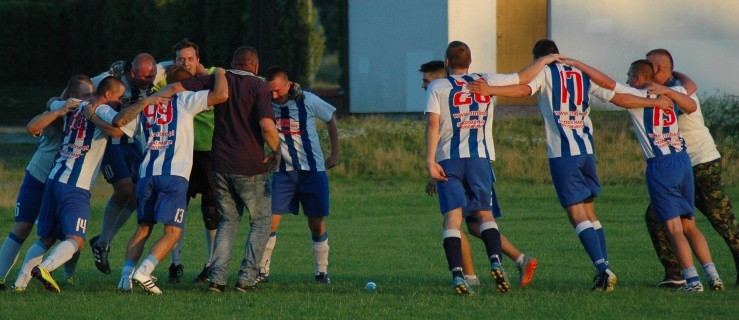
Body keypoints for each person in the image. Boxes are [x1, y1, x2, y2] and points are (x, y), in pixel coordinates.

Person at [468, 40, 675, 291]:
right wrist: (654, 101)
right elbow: (619, 98)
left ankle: (602, 268)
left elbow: (523, 89)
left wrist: (490, 90)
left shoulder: (544, 71)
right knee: (590, 213)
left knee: (576, 213)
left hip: (563, 154)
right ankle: (604, 268)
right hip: (587, 151)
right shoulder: (581, 73)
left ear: (538, 57)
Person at [571, 58, 725, 292]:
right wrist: (668, 87)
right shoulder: (671, 93)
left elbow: (607, 84)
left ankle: (692, 281)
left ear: (639, 78)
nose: (626, 80)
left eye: (629, 76)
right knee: (690, 225)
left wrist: (577, 64)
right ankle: (713, 276)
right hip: (683, 160)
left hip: (661, 164)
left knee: (673, 229)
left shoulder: (636, 97)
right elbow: (691, 92)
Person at [426, 41, 560, 295]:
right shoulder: (485, 80)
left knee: (452, 220)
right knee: (485, 216)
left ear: (446, 63)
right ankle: (496, 262)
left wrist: (429, 161)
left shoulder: (438, 87)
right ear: (470, 62)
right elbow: (523, 76)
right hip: (479, 159)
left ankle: (459, 276)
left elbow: (433, 124)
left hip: (448, 161)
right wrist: (546, 60)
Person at [159, 46, 280, 293]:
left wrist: (150, 100)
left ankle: (217, 279)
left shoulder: (218, 79)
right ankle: (246, 279)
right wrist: (278, 150)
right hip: (249, 166)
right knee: (260, 221)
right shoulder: (259, 86)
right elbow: (267, 126)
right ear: (256, 67)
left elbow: (178, 87)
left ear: (233, 63)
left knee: (227, 221)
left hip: (220, 164)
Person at [110, 65, 228, 295]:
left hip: (146, 175)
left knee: (143, 228)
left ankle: (125, 277)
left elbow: (118, 123)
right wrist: (221, 73)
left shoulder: (145, 108)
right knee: (172, 232)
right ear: (186, 84)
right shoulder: (184, 99)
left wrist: (142, 103)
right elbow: (221, 94)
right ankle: (144, 271)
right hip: (174, 176)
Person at [14, 76, 128, 293]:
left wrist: (57, 104)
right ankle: (45, 268)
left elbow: (52, 103)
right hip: (75, 185)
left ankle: (19, 284)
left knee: (46, 237)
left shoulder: (72, 104)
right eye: (119, 97)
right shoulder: (103, 110)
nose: (121, 102)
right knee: (77, 240)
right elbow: (118, 130)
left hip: (54, 178)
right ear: (108, 95)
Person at [643, 49, 738, 288]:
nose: (643, 71)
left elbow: (687, 96)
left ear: (657, 69)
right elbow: (689, 84)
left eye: (647, 66)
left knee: (722, 220)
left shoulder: (677, 93)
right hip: (680, 166)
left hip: (701, 163)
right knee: (657, 217)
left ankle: (689, 273)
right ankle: (676, 273)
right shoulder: (674, 88)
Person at [0, 76, 92, 291]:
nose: (89, 99)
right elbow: (32, 127)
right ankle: (1, 276)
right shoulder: (59, 112)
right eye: (85, 95)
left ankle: (65, 275)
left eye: (91, 95)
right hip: (38, 176)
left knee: (67, 232)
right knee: (22, 226)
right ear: (71, 97)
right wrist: (57, 111)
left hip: (63, 180)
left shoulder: (89, 114)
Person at [256, 66, 339, 284]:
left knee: (316, 222)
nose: (274, 95)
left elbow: (331, 118)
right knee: (270, 222)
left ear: (288, 84)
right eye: (270, 91)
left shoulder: (308, 101)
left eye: (277, 91)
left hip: (312, 171)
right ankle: (262, 270)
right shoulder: (266, 103)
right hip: (283, 172)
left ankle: (321, 272)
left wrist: (335, 153)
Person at [151, 39, 220, 284]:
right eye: (181, 59)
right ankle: (175, 263)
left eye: (191, 59)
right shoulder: (166, 80)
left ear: (199, 60)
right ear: (174, 61)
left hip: (210, 154)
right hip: (181, 155)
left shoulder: (212, 77)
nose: (186, 63)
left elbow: (249, 80)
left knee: (212, 212)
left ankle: (210, 264)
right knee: (175, 212)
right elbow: (148, 73)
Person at [88, 53, 159, 275]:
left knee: (138, 195)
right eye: (146, 76)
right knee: (124, 189)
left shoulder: (154, 75)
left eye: (153, 76)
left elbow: (173, 65)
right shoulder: (108, 79)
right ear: (133, 72)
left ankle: (103, 241)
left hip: (131, 142)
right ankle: (102, 242)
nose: (150, 81)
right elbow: (80, 88)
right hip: (111, 143)